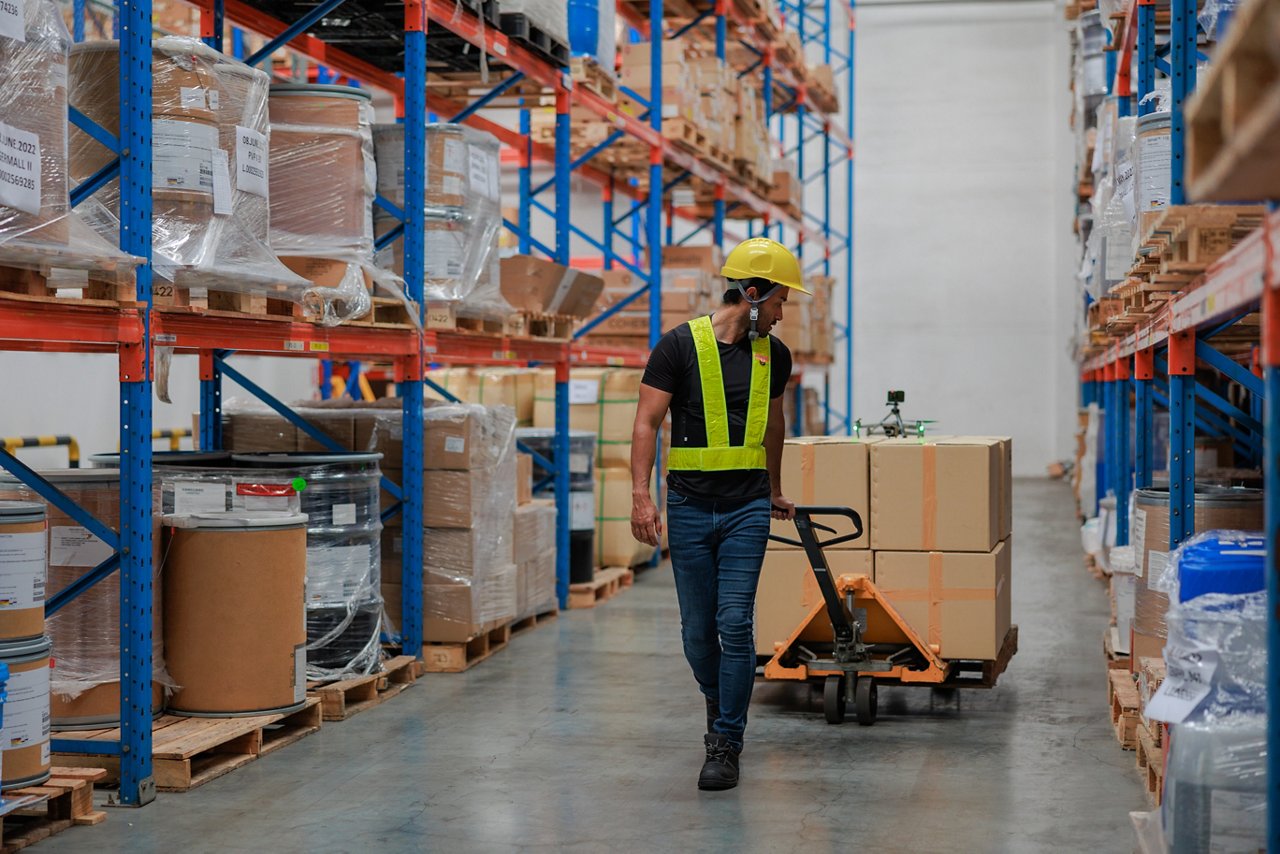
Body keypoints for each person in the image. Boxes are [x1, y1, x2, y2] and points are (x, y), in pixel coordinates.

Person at [629, 237, 809, 791]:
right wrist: (641, 495)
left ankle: (725, 741)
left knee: (735, 623)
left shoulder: (774, 355)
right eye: (779, 301)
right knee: (696, 634)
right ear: (752, 296)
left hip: (747, 509)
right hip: (686, 506)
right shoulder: (678, 347)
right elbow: (645, 424)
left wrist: (775, 487)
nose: (782, 314)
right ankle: (720, 699)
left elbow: (774, 424)